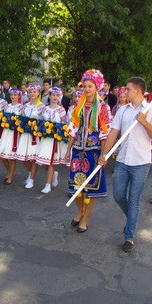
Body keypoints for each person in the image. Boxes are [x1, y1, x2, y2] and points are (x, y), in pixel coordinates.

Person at [100, 77, 152, 252]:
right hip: (122, 159)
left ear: (137, 91)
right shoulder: (122, 110)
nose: (124, 92)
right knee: (119, 195)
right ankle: (132, 220)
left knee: (134, 200)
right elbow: (113, 132)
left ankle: (129, 236)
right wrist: (104, 153)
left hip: (141, 162)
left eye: (127, 89)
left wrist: (145, 122)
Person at [67, 69, 111, 233]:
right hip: (78, 150)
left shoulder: (103, 108)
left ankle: (85, 219)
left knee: (91, 187)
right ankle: (80, 212)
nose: (87, 89)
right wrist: (68, 150)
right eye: (85, 86)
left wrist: (103, 154)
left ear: (97, 87)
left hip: (93, 152)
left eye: (90, 86)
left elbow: (105, 132)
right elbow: (73, 129)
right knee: (76, 186)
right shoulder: (77, 107)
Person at [35, 87, 68, 194]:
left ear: (59, 97)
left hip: (54, 139)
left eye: (57, 95)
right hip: (45, 138)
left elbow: (64, 125)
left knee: (50, 163)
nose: (55, 97)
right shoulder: (45, 108)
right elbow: (40, 121)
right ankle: (53, 174)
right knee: (42, 161)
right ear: (49, 96)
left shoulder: (61, 110)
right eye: (53, 95)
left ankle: (47, 185)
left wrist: (56, 130)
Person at [12, 84, 45, 188]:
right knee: (23, 158)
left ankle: (31, 180)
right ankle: (31, 173)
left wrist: (37, 126)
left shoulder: (42, 106)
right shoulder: (25, 106)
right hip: (26, 135)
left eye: (34, 92)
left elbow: (44, 121)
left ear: (38, 93)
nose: (32, 94)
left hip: (36, 136)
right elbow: (21, 119)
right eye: (30, 92)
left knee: (34, 158)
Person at [0, 88, 24, 185]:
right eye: (12, 95)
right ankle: (9, 172)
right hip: (6, 132)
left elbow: (22, 121)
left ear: (19, 96)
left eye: (15, 95)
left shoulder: (21, 107)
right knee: (3, 156)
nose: (13, 97)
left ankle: (10, 176)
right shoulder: (7, 106)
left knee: (12, 157)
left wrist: (16, 123)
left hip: (15, 133)